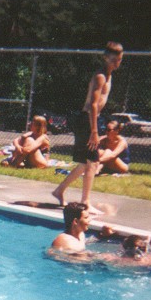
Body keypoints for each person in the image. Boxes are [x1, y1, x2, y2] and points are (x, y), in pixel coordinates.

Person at [52, 42, 124, 212]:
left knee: (85, 163)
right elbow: (92, 104)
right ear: (106, 58)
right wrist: (94, 131)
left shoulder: (109, 75)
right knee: (92, 162)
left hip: (90, 120)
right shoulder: (100, 76)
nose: (117, 63)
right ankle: (85, 202)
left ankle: (59, 190)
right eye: (114, 60)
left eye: (119, 59)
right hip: (87, 120)